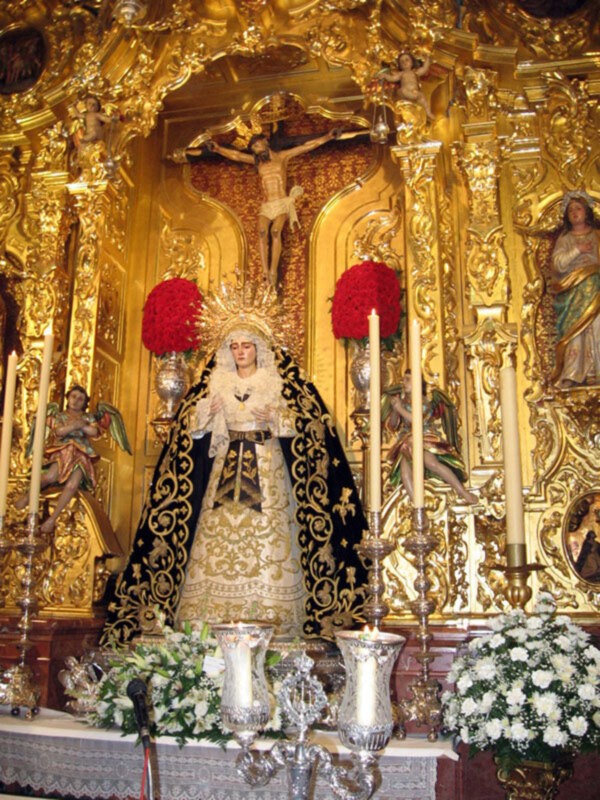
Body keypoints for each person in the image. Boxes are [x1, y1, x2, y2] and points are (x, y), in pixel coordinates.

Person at [101, 312, 369, 646]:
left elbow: (307, 427)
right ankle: (207, 619)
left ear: (259, 349)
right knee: (217, 540)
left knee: (269, 540)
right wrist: (206, 414)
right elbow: (192, 436)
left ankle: (274, 616)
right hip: (226, 470)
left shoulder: (278, 383)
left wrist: (277, 418)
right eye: (235, 346)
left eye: (247, 346)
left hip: (267, 470)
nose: (241, 352)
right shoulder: (216, 383)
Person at [204, 129, 340, 286]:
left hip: (281, 203)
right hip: (267, 205)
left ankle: (273, 271)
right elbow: (237, 155)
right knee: (262, 232)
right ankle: (265, 273)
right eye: (253, 148)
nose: (256, 150)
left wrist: (328, 136)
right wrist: (218, 149)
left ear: (265, 141)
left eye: (257, 145)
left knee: (275, 231)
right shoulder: (257, 162)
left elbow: (307, 146)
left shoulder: (282, 157)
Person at [15, 386, 131, 533]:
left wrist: (82, 427)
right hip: (63, 452)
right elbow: (58, 431)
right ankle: (28, 496)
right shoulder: (61, 416)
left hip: (81, 454)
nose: (76, 401)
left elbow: (95, 431)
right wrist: (76, 425)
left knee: (72, 485)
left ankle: (52, 519)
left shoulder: (88, 417)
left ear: (85, 403)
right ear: (68, 398)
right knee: (49, 477)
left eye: (80, 399)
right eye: (73, 397)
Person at [385, 370, 477, 505]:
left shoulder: (423, 401)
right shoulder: (402, 402)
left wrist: (399, 409)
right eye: (403, 379)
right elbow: (392, 425)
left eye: (407, 379)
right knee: (405, 475)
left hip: (424, 438)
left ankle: (462, 492)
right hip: (406, 441)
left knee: (432, 464)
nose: (403, 382)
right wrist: (395, 409)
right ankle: (418, 507)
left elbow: (417, 420)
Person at [549, 191, 600, 387]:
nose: (574, 213)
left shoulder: (597, 236)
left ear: (586, 212)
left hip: (596, 289)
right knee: (575, 330)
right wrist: (577, 250)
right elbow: (558, 264)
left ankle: (595, 369)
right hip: (573, 291)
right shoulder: (565, 239)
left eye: (578, 208)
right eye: (571, 210)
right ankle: (573, 372)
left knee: (596, 327)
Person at [379, 52, 434, 120]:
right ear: (400, 65)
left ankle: (428, 112)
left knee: (422, 97)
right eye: (402, 62)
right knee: (402, 90)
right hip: (405, 91)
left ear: (412, 62)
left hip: (415, 92)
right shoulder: (401, 74)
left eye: (407, 60)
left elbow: (424, 68)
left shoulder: (415, 72)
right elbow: (392, 78)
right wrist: (385, 75)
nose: (404, 62)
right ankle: (411, 100)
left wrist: (427, 59)